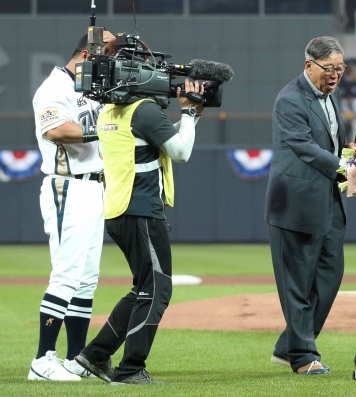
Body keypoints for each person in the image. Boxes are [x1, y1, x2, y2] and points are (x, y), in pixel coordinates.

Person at [73, 39, 205, 385]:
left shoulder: (109, 111)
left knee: (142, 289)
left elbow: (155, 140)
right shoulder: (144, 110)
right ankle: (131, 369)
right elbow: (180, 152)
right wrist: (189, 113)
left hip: (119, 210)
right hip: (142, 210)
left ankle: (95, 354)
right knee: (158, 290)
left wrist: (191, 118)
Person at [28, 30, 115, 382]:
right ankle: (42, 359)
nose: (110, 63)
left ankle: (76, 358)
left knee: (86, 280)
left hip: (94, 187)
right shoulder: (54, 87)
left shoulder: (93, 89)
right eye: (106, 54)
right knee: (66, 274)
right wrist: (104, 131)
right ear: (87, 54)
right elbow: (57, 131)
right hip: (68, 186)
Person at [264, 36, 347, 376]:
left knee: (329, 277)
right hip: (294, 204)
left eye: (341, 69)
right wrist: (345, 168)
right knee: (297, 283)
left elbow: (333, 141)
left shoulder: (332, 96)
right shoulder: (290, 100)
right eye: (329, 68)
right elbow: (304, 146)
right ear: (308, 64)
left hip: (328, 201)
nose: (336, 75)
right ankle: (303, 357)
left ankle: (288, 346)